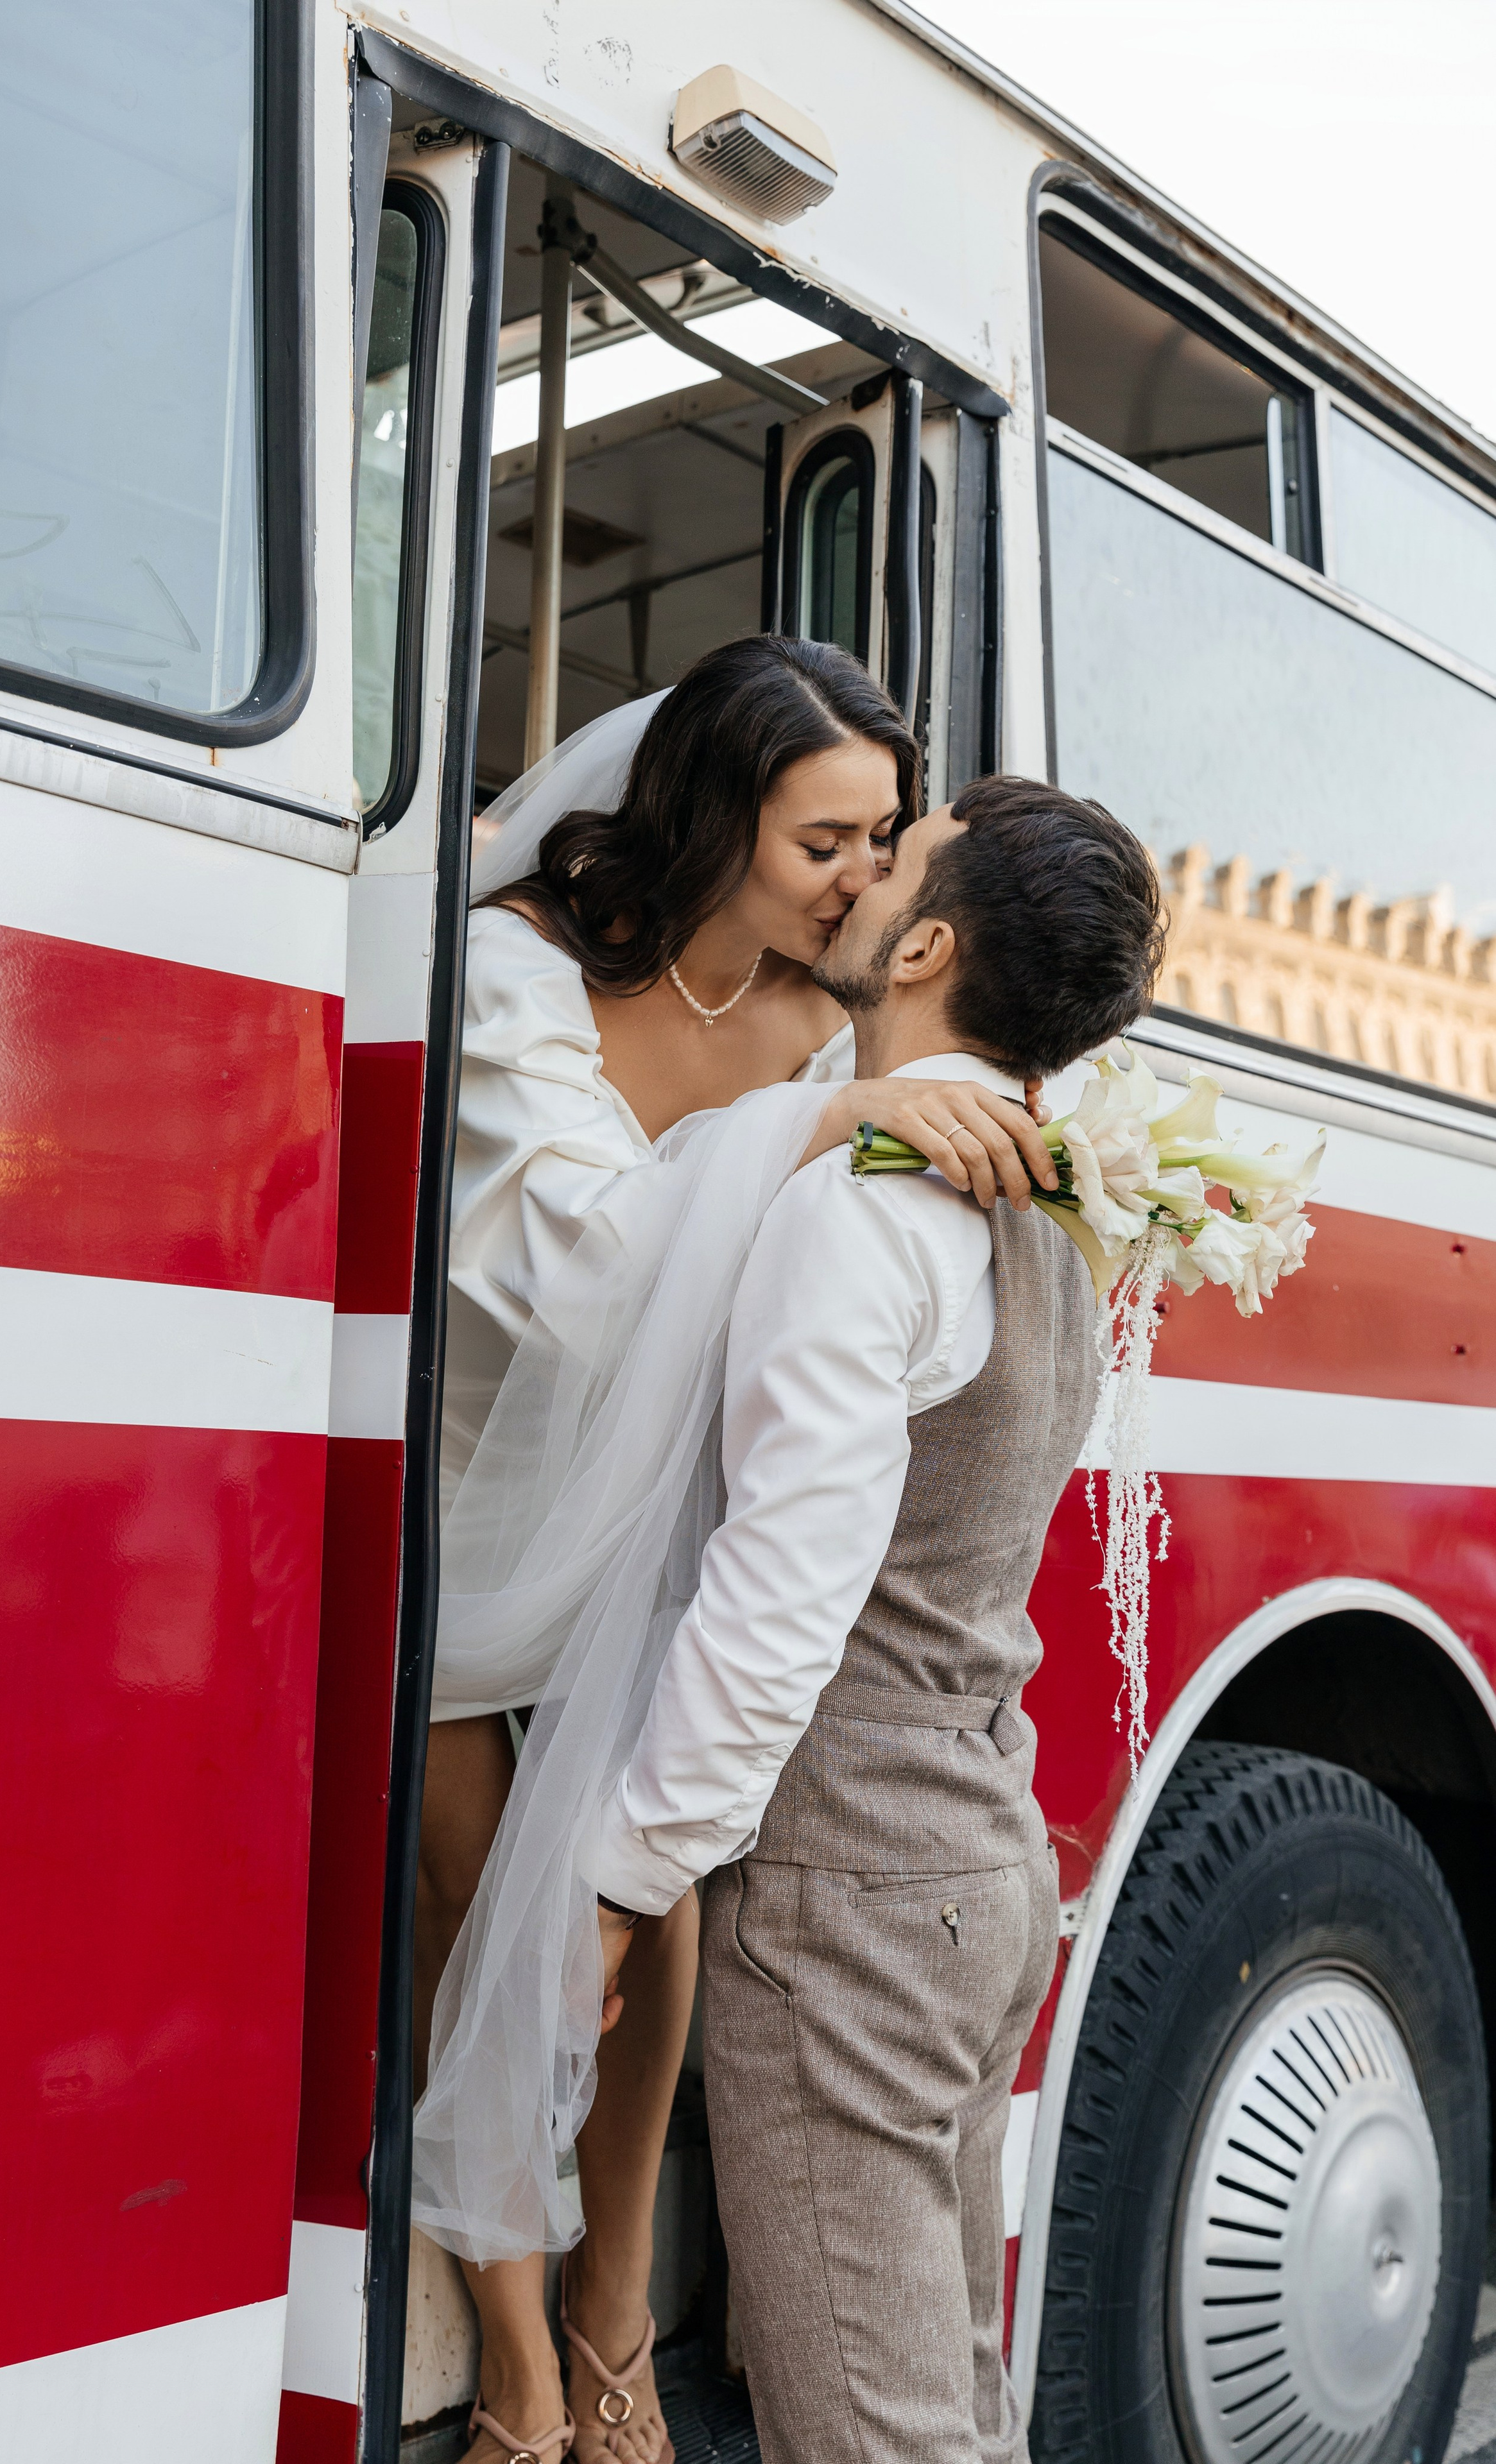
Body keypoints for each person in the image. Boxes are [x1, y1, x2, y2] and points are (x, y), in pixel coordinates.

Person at [413, 641, 1062, 2464]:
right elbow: (573, 1266)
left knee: (649, 1890)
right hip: (467, 1507)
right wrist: (825, 1121)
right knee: (479, 1913)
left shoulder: (816, 1008)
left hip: (643, 1523)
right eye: (824, 841)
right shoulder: (516, 971)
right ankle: (512, 2346)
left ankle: (615, 2314)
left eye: (883, 843)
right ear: (712, 814)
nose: (864, 883)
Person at [580, 778, 1166, 2464]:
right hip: (977, 1858)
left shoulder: (866, 1211)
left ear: (923, 943)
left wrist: (627, 1884)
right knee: (940, 2399)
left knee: (879, 2433)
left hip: (855, 1886)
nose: (852, 863)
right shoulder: (1049, 1207)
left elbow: (781, 1604)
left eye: (891, 856)